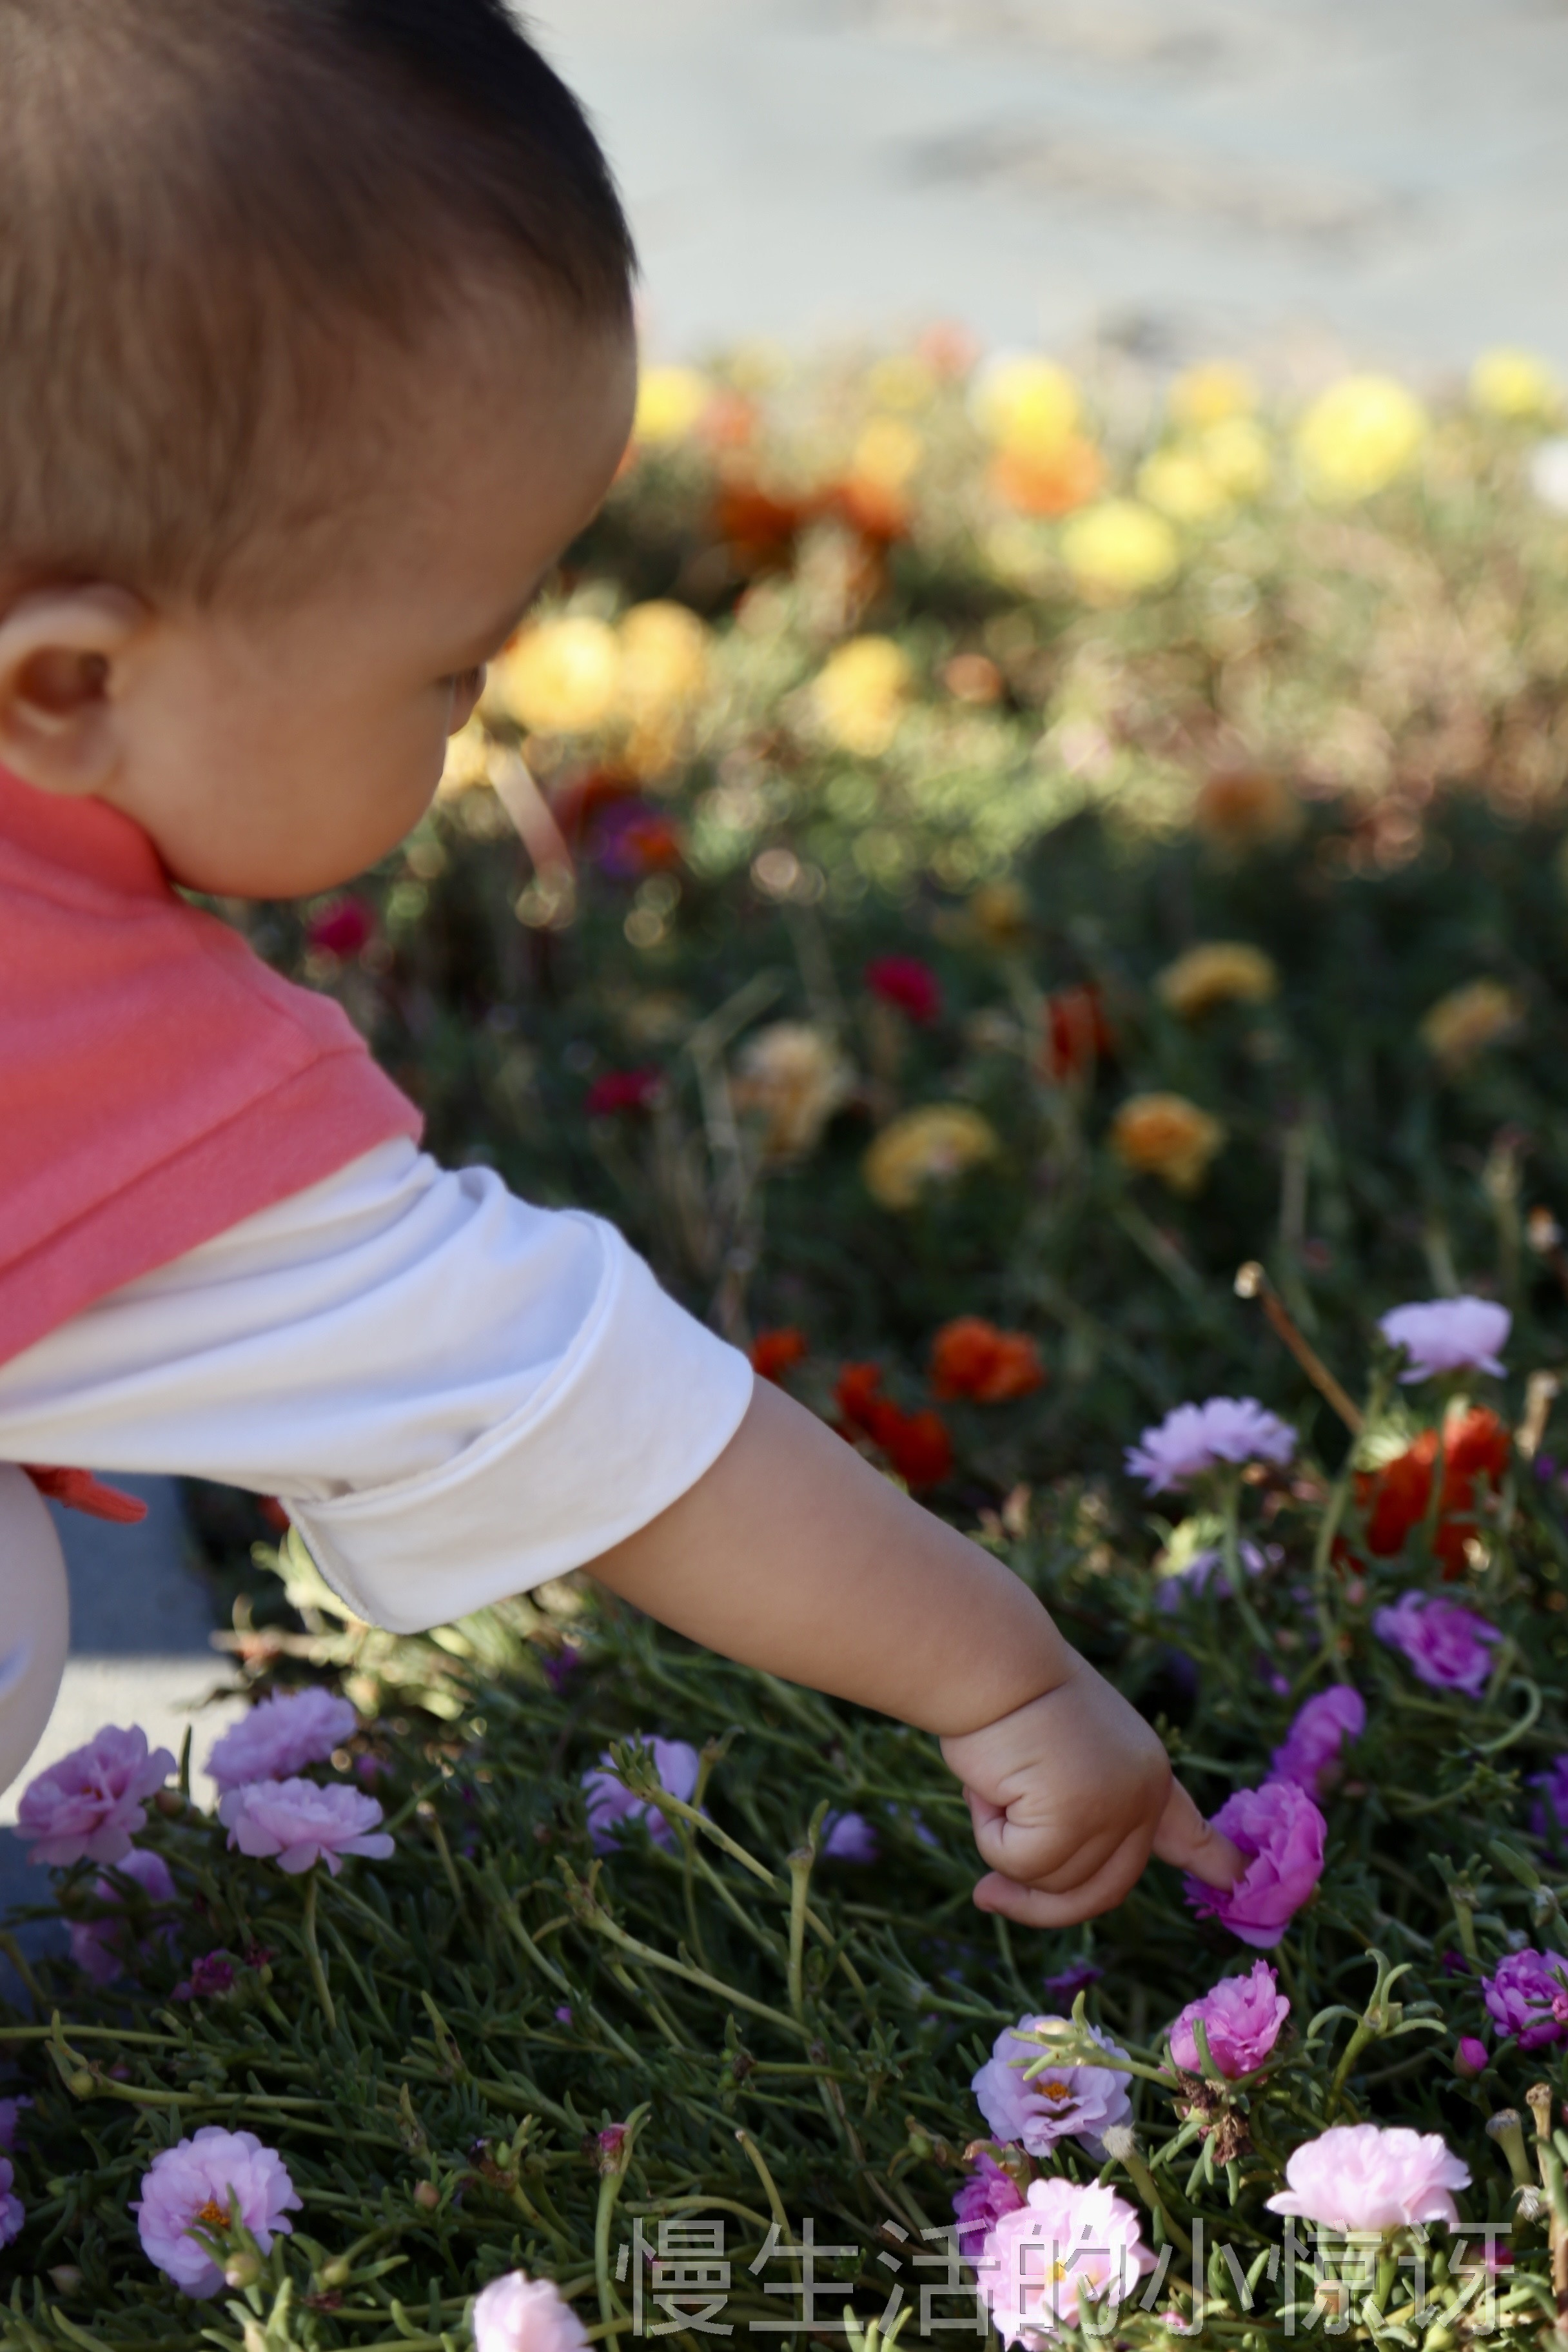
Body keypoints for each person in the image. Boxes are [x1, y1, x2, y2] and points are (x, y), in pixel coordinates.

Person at [0, 0, 1240, 1927]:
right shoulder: (91, 1052)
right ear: (73, 686)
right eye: (451, 664)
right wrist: (1010, 1679)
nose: (473, 719)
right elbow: (580, 1402)